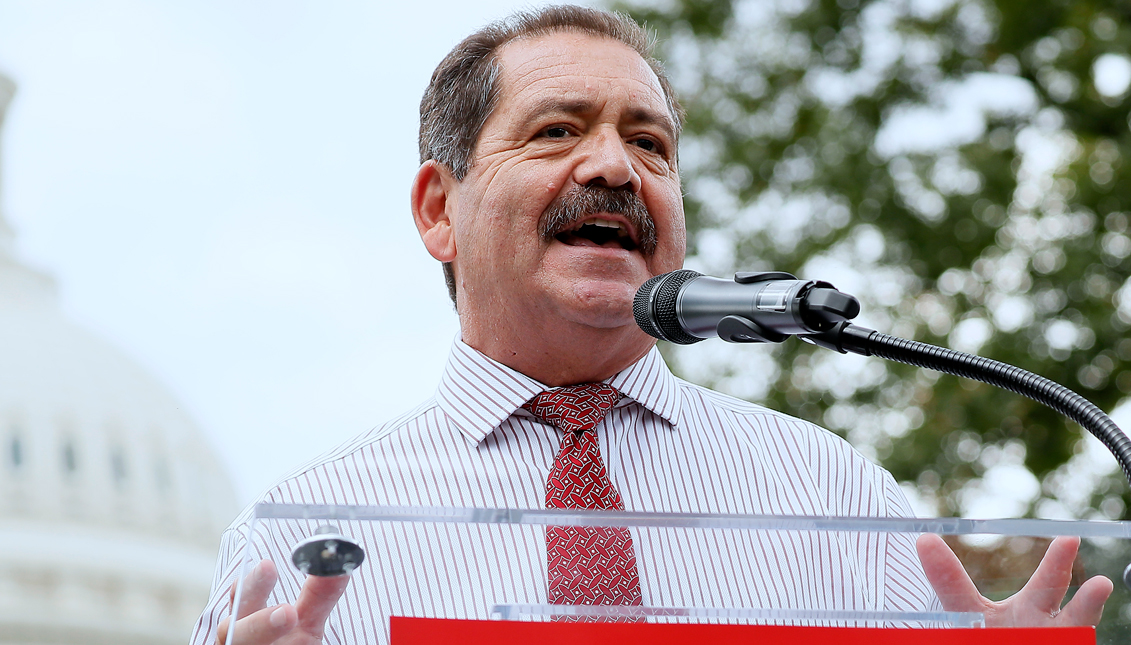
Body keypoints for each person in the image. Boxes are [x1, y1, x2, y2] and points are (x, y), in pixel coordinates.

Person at [190, 6, 1113, 645]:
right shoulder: (298, 534)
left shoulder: (833, 495)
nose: (616, 167)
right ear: (439, 209)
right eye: (556, 131)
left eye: (650, 144)